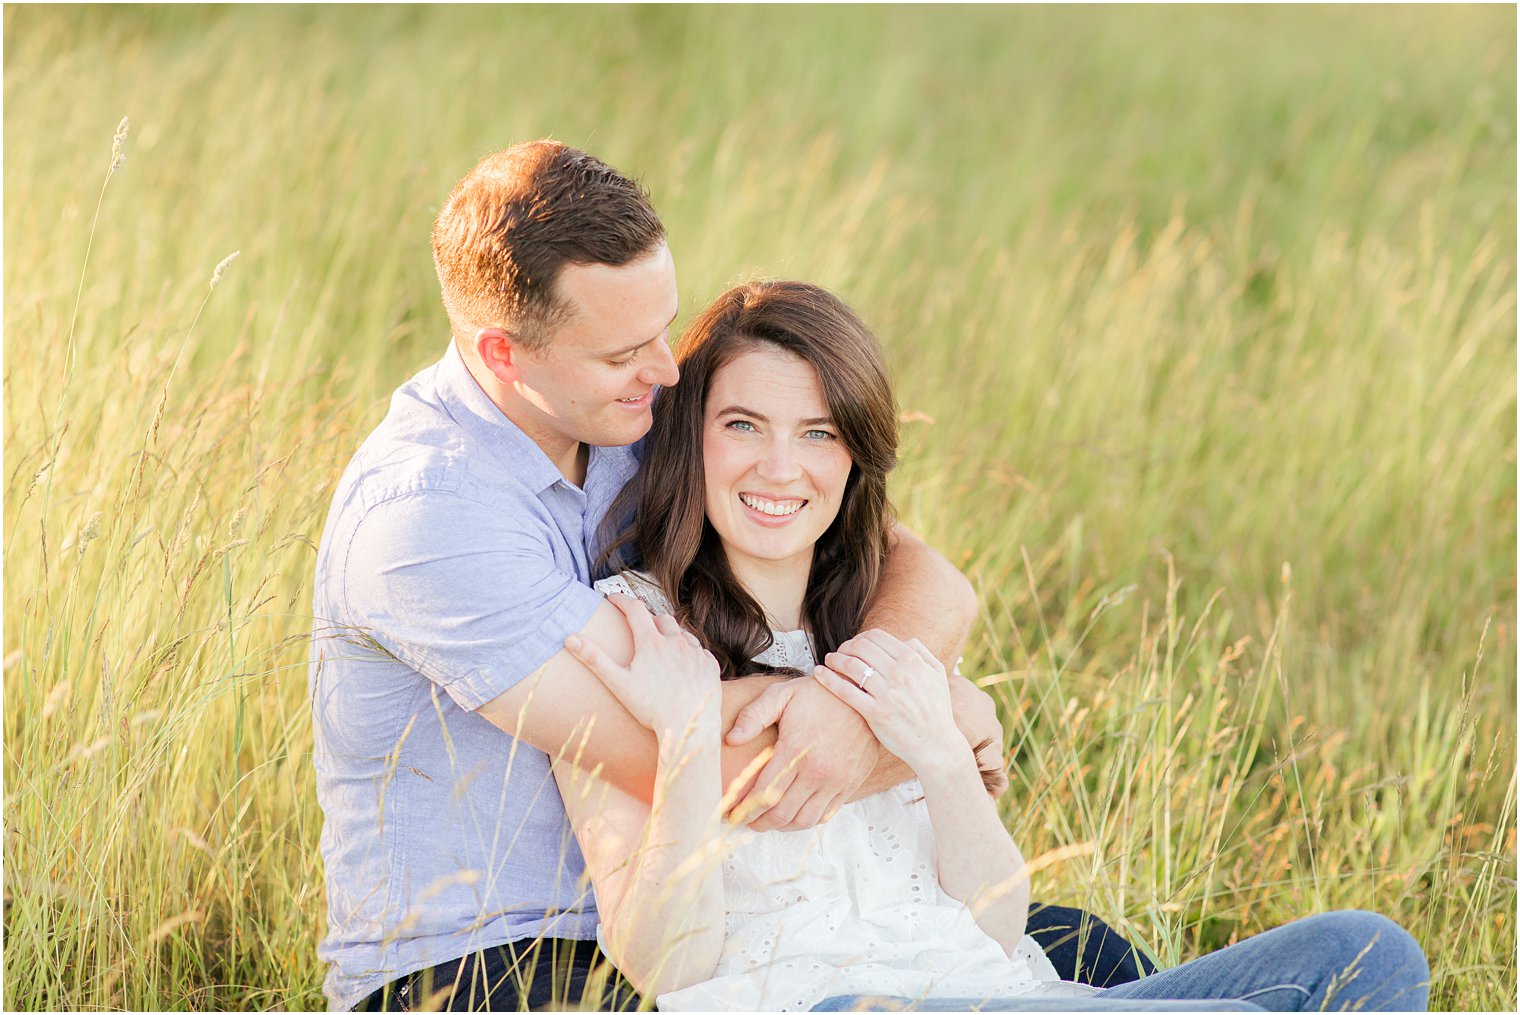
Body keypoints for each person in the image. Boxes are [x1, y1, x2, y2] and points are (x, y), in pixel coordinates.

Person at [308, 141, 1148, 1012]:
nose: (668, 370)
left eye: (664, 329)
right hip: (495, 960)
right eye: (625, 350)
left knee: (1097, 951)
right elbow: (702, 758)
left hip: (710, 914)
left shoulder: (633, 407)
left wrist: (877, 684)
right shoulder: (427, 516)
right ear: (507, 354)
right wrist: (925, 725)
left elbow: (912, 566)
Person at [554, 279, 1432, 1012]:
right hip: (823, 1001)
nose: (782, 468)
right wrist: (684, 739)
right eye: (744, 425)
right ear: (690, 436)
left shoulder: (885, 626)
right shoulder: (632, 631)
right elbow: (669, 969)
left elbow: (994, 930)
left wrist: (938, 750)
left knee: (1372, 954)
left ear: (856, 457)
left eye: (819, 433)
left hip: (994, 988)